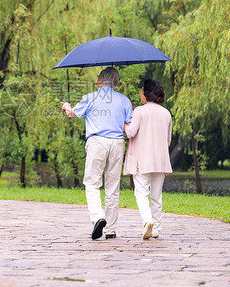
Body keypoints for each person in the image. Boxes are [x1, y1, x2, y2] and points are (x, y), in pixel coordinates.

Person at [61, 67, 133, 240]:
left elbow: (72, 114)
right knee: (112, 187)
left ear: (101, 80)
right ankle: (111, 229)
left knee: (92, 183)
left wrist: (66, 106)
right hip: (117, 143)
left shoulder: (90, 97)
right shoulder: (125, 100)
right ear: (115, 83)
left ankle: (98, 217)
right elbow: (129, 124)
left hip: (97, 141)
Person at [124, 79, 172, 240]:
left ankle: (147, 221)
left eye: (142, 90)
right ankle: (156, 228)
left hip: (142, 159)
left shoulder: (139, 111)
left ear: (147, 93)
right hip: (161, 160)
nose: (140, 93)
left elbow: (130, 132)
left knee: (141, 192)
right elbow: (168, 139)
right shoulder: (166, 113)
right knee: (156, 195)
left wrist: (124, 123)